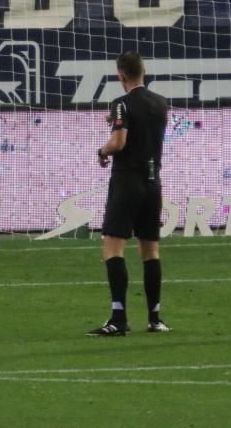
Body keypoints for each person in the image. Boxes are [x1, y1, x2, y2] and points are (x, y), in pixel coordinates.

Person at [88, 51, 170, 337]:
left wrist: (102, 151)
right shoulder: (161, 104)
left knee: (113, 247)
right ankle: (155, 318)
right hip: (153, 182)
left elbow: (119, 141)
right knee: (150, 251)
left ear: (121, 74)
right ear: (143, 71)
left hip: (127, 182)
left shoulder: (121, 104)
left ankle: (119, 319)